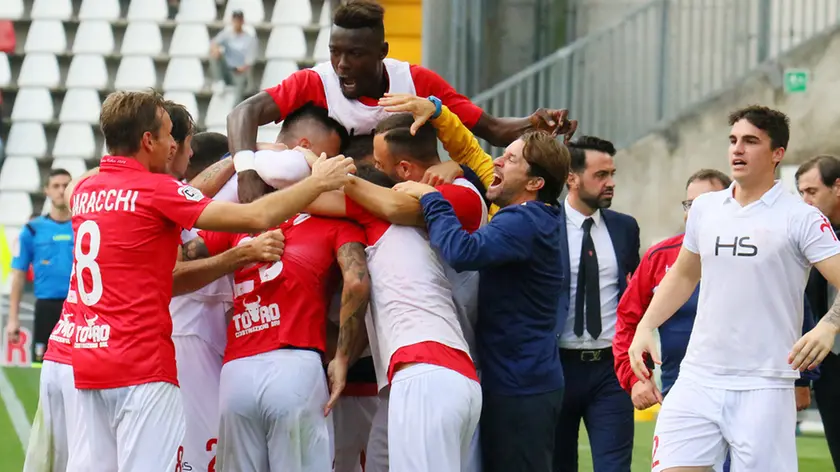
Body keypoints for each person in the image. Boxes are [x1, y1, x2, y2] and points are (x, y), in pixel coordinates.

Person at [63, 90, 355, 472]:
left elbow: (169, 275)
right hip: (143, 365)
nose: (173, 146)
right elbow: (256, 217)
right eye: (168, 135)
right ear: (147, 140)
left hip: (88, 362)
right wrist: (317, 182)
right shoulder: (157, 190)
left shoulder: (85, 190)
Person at [628, 106, 840, 472]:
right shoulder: (706, 209)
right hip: (697, 377)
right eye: (733, 140)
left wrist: (829, 324)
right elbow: (683, 274)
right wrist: (645, 326)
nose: (737, 149)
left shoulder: (801, 217)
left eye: (751, 141)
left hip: (765, 384)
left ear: (778, 154)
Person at [250, 154, 483, 472]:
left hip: (424, 373)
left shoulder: (375, 216)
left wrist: (298, 158)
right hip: (448, 374)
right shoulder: (417, 226)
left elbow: (292, 195)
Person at [227, 0, 577, 203]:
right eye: (335, 52)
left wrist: (533, 122)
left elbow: (493, 130)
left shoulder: (417, 82)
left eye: (355, 54)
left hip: (407, 207)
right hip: (336, 205)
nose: (342, 64)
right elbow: (245, 112)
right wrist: (246, 171)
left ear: (382, 53)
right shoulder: (316, 81)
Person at [392, 130, 570, 472]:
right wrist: (457, 165)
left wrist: (431, 198)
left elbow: (463, 251)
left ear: (534, 183)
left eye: (512, 158)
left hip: (520, 389)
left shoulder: (523, 220)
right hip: (525, 383)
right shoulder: (540, 216)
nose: (498, 161)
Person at [180, 202, 370, 472]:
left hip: (236, 376)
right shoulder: (335, 223)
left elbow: (181, 258)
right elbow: (356, 282)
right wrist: (341, 357)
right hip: (295, 368)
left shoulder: (241, 221)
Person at [554, 136, 640, 472]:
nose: (611, 183)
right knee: (559, 464)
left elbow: (633, 296)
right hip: (557, 367)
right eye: (601, 175)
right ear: (571, 178)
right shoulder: (545, 224)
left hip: (611, 369)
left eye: (612, 174)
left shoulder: (624, 228)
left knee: (615, 467)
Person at [796, 154, 840, 469]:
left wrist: (831, 324)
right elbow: (802, 305)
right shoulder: (809, 234)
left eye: (812, 191)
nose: (805, 200)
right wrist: (802, 380)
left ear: (837, 187)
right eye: (801, 193)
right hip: (829, 364)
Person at [7, 168, 73, 362]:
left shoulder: (85, 225)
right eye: (56, 186)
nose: (61, 190)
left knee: (78, 370)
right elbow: (18, 275)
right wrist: (13, 318)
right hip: (46, 309)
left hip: (77, 309)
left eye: (66, 185)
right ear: (47, 190)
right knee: (42, 369)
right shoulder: (32, 230)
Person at [209, 9, 257, 103]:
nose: (237, 23)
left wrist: (242, 67)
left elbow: (250, 60)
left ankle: (235, 109)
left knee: (240, 88)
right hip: (228, 70)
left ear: (242, 21)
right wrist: (216, 49)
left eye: (239, 20)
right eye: (235, 20)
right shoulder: (227, 35)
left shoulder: (249, 38)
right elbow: (213, 43)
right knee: (214, 55)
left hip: (241, 72)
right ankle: (219, 81)